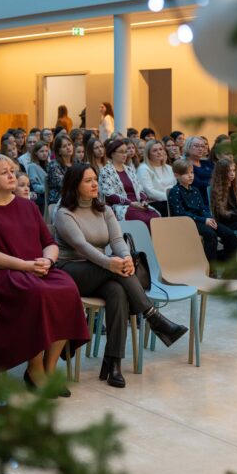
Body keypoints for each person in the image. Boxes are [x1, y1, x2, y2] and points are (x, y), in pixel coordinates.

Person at [0, 155, 90, 394]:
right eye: (5, 172)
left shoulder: (28, 206)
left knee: (67, 288)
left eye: (12, 170)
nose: (12, 175)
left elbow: (49, 242)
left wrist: (48, 259)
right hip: (1, 274)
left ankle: (49, 366)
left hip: (36, 268)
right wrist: (25, 265)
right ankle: (34, 368)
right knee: (38, 293)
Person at [54, 163, 187, 388]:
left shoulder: (104, 209)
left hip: (102, 271)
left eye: (95, 179)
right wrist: (111, 263)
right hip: (71, 270)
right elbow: (82, 246)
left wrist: (126, 260)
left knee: (117, 292)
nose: (95, 183)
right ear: (74, 186)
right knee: (115, 274)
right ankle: (153, 317)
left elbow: (117, 241)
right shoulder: (64, 213)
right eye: (88, 180)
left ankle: (113, 362)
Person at [167, 159, 237, 268]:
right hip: (187, 222)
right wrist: (204, 220)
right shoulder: (175, 191)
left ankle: (228, 268)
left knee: (229, 234)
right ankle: (210, 269)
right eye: (186, 173)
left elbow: (203, 208)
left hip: (202, 219)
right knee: (211, 235)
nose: (190, 176)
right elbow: (179, 213)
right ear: (176, 175)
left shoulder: (195, 190)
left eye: (191, 172)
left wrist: (209, 218)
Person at [99, 140, 160, 227]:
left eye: (125, 151)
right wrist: (130, 203)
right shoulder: (106, 171)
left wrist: (143, 201)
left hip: (137, 204)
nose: (125, 154)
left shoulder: (130, 170)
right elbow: (109, 195)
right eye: (121, 152)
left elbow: (140, 189)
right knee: (141, 220)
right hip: (121, 206)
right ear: (112, 153)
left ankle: (156, 241)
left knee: (156, 217)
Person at [137, 139, 175, 217]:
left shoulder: (168, 168)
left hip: (171, 200)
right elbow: (149, 192)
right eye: (155, 150)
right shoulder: (144, 169)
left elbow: (175, 186)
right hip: (155, 203)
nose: (159, 152)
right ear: (148, 155)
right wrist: (169, 197)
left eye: (161, 149)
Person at [46, 134, 74, 207]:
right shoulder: (53, 165)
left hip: (75, 199)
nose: (68, 148)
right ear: (59, 151)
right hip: (58, 202)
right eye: (64, 146)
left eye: (69, 144)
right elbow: (63, 184)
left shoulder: (77, 163)